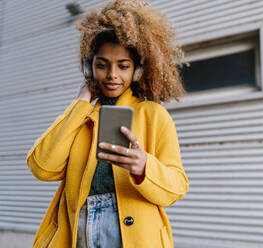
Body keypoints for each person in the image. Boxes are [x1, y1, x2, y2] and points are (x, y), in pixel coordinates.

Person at [26, 0, 189, 247]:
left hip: (131, 235)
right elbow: (42, 167)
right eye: (102, 65)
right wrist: (80, 103)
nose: (112, 75)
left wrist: (145, 166)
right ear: (89, 68)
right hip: (80, 226)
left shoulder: (153, 115)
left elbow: (177, 186)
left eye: (123, 66)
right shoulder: (80, 117)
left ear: (136, 71)